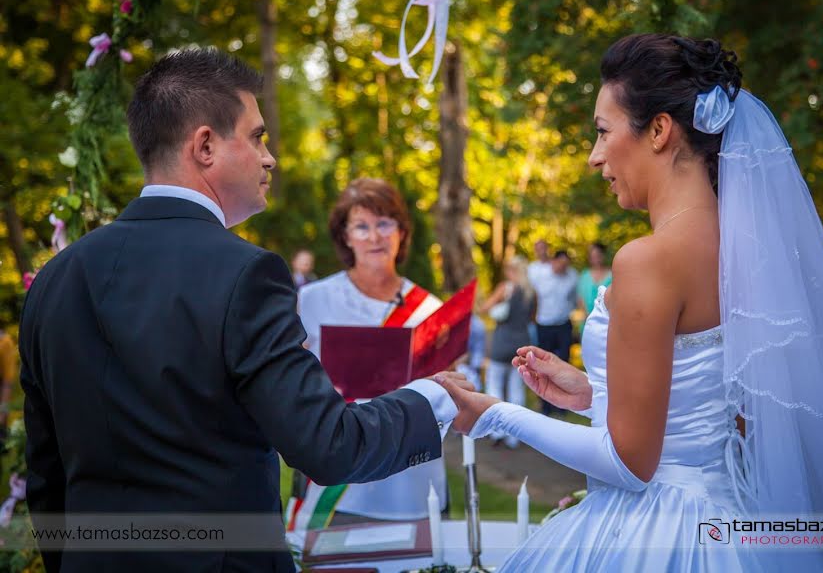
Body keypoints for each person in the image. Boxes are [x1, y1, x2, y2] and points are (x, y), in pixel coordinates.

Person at [436, 33, 823, 572]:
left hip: (666, 530)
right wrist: (595, 394)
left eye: (604, 132)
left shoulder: (647, 260)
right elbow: (726, 409)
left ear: (658, 129)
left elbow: (631, 465)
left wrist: (496, 414)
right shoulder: (748, 251)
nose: (594, 157)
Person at [18, 48, 468, 573]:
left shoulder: (55, 279)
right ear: (205, 146)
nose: (269, 157)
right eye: (256, 137)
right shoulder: (246, 276)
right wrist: (432, 396)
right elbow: (327, 445)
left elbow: (45, 474)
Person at [297, 177, 448, 522]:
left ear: (402, 231)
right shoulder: (312, 300)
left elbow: (448, 398)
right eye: (361, 227)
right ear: (345, 236)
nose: (375, 236)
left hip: (410, 481)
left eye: (384, 223)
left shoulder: (429, 310)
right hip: (341, 481)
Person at [478, 256, 536, 448]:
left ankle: (497, 432)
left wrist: (494, 307)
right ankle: (515, 436)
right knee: (516, 389)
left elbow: (484, 308)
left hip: (502, 342)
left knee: (494, 385)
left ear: (512, 270)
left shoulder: (506, 288)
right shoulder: (531, 292)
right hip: (522, 343)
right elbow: (533, 318)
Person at [531, 249, 578, 415]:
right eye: (560, 264)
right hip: (544, 325)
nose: (562, 268)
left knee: (564, 361)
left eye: (566, 265)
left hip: (563, 324)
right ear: (554, 261)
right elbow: (533, 296)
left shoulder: (572, 276)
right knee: (543, 364)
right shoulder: (540, 275)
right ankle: (545, 404)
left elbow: (573, 298)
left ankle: (562, 404)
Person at [577, 242, 612, 318]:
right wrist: (588, 316)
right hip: (587, 319)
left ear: (604, 255)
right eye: (593, 256)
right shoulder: (584, 275)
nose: (596, 259)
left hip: (607, 320)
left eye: (598, 256)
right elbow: (580, 298)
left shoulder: (612, 275)